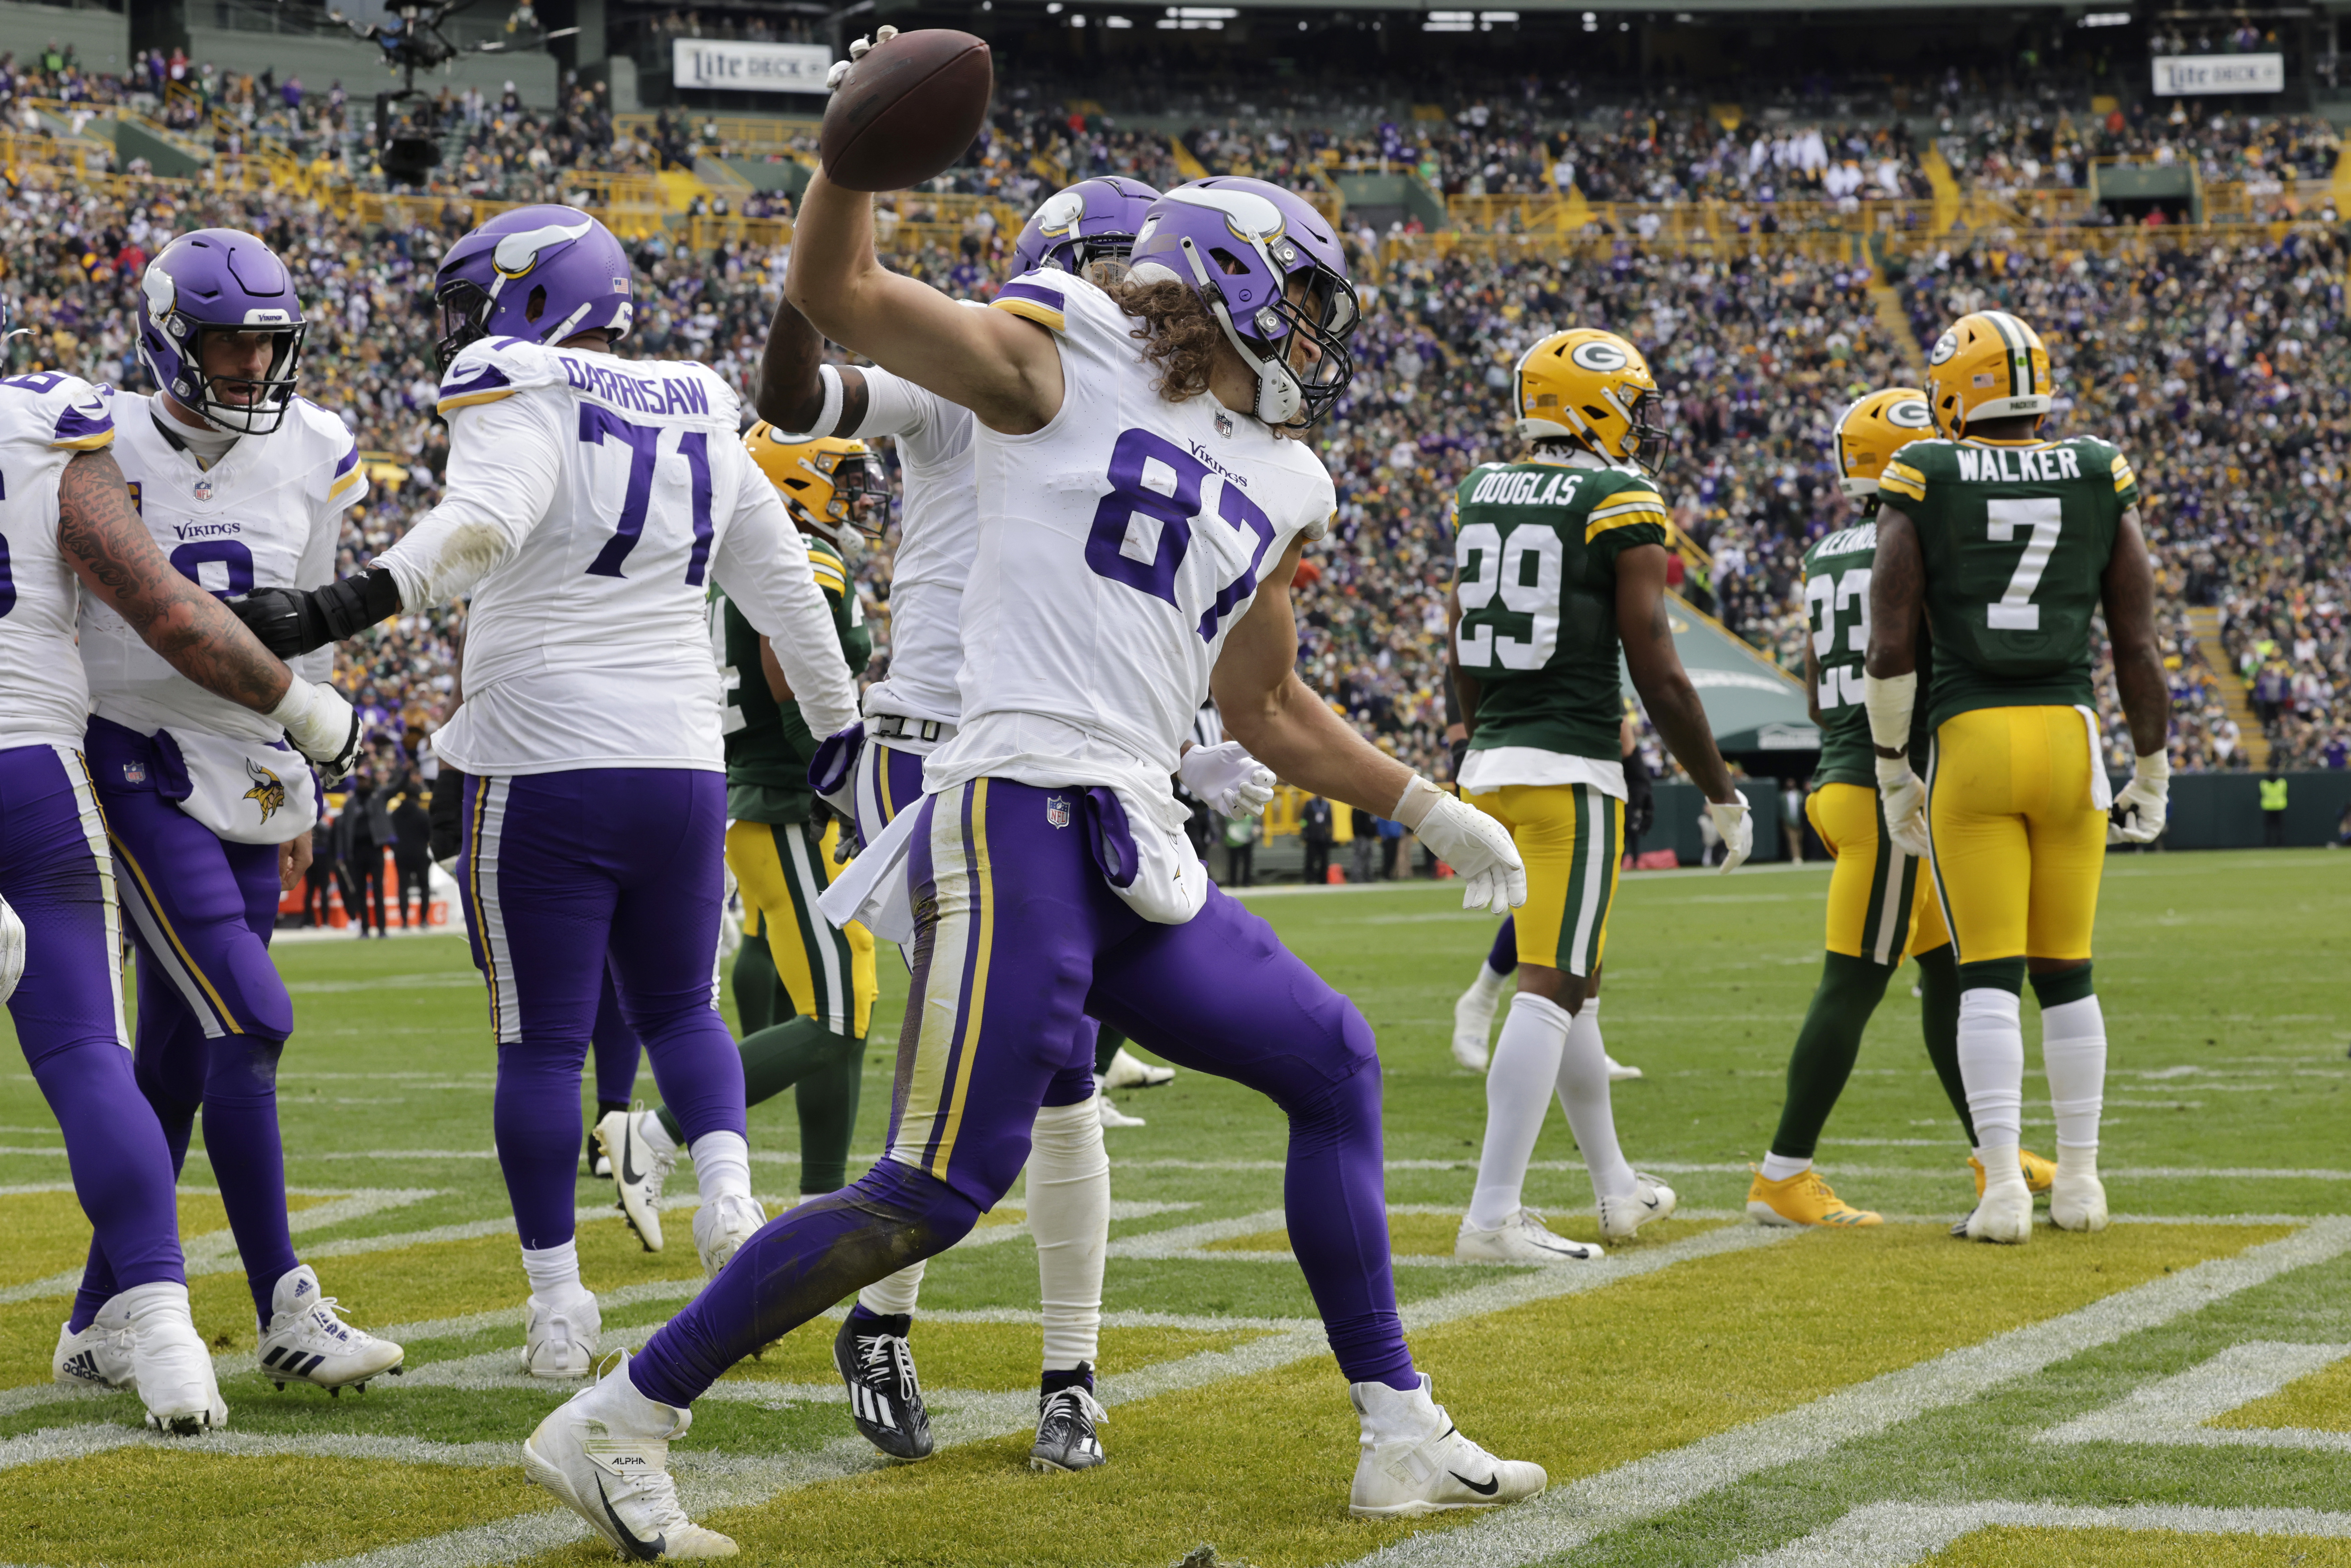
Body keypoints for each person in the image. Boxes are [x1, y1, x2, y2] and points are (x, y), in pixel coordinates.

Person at [521, 163, 1541, 1556]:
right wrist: (849, 163)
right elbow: (842, 298)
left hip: (1130, 827)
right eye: (1301, 296)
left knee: (1334, 1059)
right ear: (1228, 276)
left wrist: (1427, 802)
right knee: (940, 1183)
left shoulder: (1286, 469)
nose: (1316, 333)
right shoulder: (1070, 346)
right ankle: (620, 1414)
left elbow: (1263, 705)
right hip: (1011, 803)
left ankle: (1398, 1423)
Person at [231, 204, 860, 1378]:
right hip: (679, 763)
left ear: (532, 300)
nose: (461, 331)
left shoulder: (518, 379)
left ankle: (560, 1311)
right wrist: (842, 742)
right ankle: (730, 1204)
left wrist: (334, 609)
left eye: (476, 304)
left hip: (546, 757)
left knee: (538, 1046)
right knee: (683, 1009)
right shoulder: (700, 403)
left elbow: (485, 525)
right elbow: (790, 599)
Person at [734, 174, 1202, 1472]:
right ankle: (955, 1341)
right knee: (1024, 1059)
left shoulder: (1157, 420)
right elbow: (797, 400)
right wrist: (818, 244)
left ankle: (1037, 1361)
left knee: (1065, 1074)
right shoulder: (976, 375)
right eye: (1124, 281)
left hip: (1078, 758)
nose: (1147, 312)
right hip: (940, 747)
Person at [3, 323, 362, 1435]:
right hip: (33, 766)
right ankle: (164, 1327)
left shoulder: (302, 447)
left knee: (164, 1048)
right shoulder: (43, 418)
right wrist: (314, 717)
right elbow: (164, 608)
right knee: (86, 1050)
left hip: (167, 774)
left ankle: (128, 1322)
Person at [72, 229, 403, 1393]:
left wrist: (300, 774)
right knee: (249, 1018)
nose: (252, 367)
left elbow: (300, 624)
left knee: (176, 1059)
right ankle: (284, 1306)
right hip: (135, 755)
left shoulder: (316, 447)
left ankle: (97, 1317)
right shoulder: (97, 439)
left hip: (256, 768)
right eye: (226, 342)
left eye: (266, 344)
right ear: (170, 336)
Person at [1448, 327, 1753, 1267]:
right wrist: (1720, 788)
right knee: (1548, 989)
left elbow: (1459, 635)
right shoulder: (1615, 495)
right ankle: (1492, 1215)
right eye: (1631, 400)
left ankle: (1616, 1185)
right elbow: (1656, 664)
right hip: (1569, 769)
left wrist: (1475, 742)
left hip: (1496, 760)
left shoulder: (1482, 488)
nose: (1640, 421)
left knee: (1570, 986)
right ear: (1594, 404)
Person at [1866, 308, 2169, 1243]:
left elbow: (1889, 640)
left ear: (1960, 388)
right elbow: (2137, 638)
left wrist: (1889, 767)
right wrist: (2151, 764)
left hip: (1974, 738)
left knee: (1987, 976)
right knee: (2068, 974)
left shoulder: (1926, 468)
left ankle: (2004, 1190)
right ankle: (2079, 1183)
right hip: (2070, 739)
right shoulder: (2094, 467)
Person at [1748, 388, 2052, 1228]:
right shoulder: (1923, 535)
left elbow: (1815, 693)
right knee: (1849, 983)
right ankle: (1781, 1175)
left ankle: (1995, 1152)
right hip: (1894, 792)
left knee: (1951, 975)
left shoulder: (1824, 552)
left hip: (1848, 775)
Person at [596, 424, 881, 1255]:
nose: (859, 497)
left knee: (822, 992)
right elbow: (792, 666)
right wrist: (839, 783)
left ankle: (823, 1201)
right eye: (841, 478)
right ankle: (657, 1129)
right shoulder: (802, 555)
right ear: (793, 481)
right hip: (792, 797)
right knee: (837, 1013)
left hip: (754, 797)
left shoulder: (734, 560)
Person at [1452, 713, 1649, 1076]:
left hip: (1545, 764)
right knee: (1561, 912)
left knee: (1575, 910)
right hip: (1545, 771)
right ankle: (1490, 1001)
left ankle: (1573, 1037)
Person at [391, 774, 431, 928]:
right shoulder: (423, 815)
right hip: (420, 854)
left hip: (401, 854)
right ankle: (423, 920)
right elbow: (430, 835)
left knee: (403, 888)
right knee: (424, 887)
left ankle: (404, 922)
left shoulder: (395, 815)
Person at [1300, 793, 1334, 883]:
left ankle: (1323, 879)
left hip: (1323, 837)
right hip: (1312, 837)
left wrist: (1330, 835)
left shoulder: (1327, 805)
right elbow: (1304, 820)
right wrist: (1304, 832)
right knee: (1310, 859)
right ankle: (1310, 879)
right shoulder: (1310, 804)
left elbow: (1330, 822)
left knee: (1324, 860)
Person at [1222, 804, 1259, 886]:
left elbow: (1256, 822)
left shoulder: (1250, 811)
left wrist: (1256, 829)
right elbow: (1223, 824)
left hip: (1247, 839)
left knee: (1247, 862)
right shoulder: (1230, 811)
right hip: (1233, 840)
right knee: (1234, 862)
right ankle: (1233, 882)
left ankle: (1246, 882)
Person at [2260, 767, 2287, 846]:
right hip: (2279, 806)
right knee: (2279, 827)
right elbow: (2287, 794)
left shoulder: (2264, 784)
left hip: (2269, 807)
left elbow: (2260, 795)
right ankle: (2280, 843)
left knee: (2270, 827)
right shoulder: (2282, 783)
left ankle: (2269, 843)